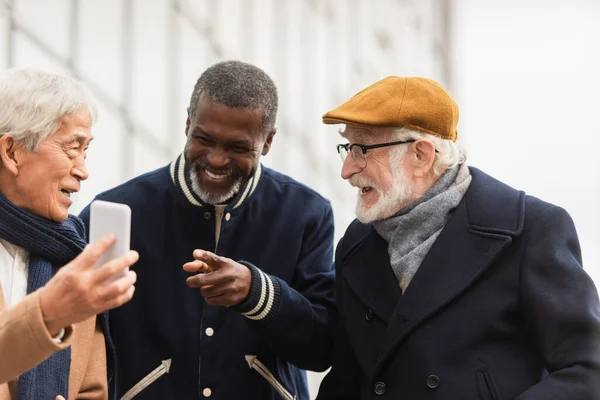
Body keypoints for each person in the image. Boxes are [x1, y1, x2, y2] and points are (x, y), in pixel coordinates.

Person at [316, 76, 600, 399]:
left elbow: (587, 369)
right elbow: (345, 381)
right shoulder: (355, 246)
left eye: (362, 149)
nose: (347, 169)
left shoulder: (530, 230)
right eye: (347, 148)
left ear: (421, 156)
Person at [79, 60, 335, 399]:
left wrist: (258, 294)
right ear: (187, 123)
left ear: (268, 141)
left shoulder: (307, 213)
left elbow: (321, 349)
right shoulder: (116, 211)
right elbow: (76, 336)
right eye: (204, 138)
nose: (216, 159)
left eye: (237, 147)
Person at [0, 68, 139, 400]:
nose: (83, 170)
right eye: (71, 148)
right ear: (12, 153)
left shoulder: (72, 259)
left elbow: (92, 390)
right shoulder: (70, 285)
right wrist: (48, 313)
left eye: (85, 151)